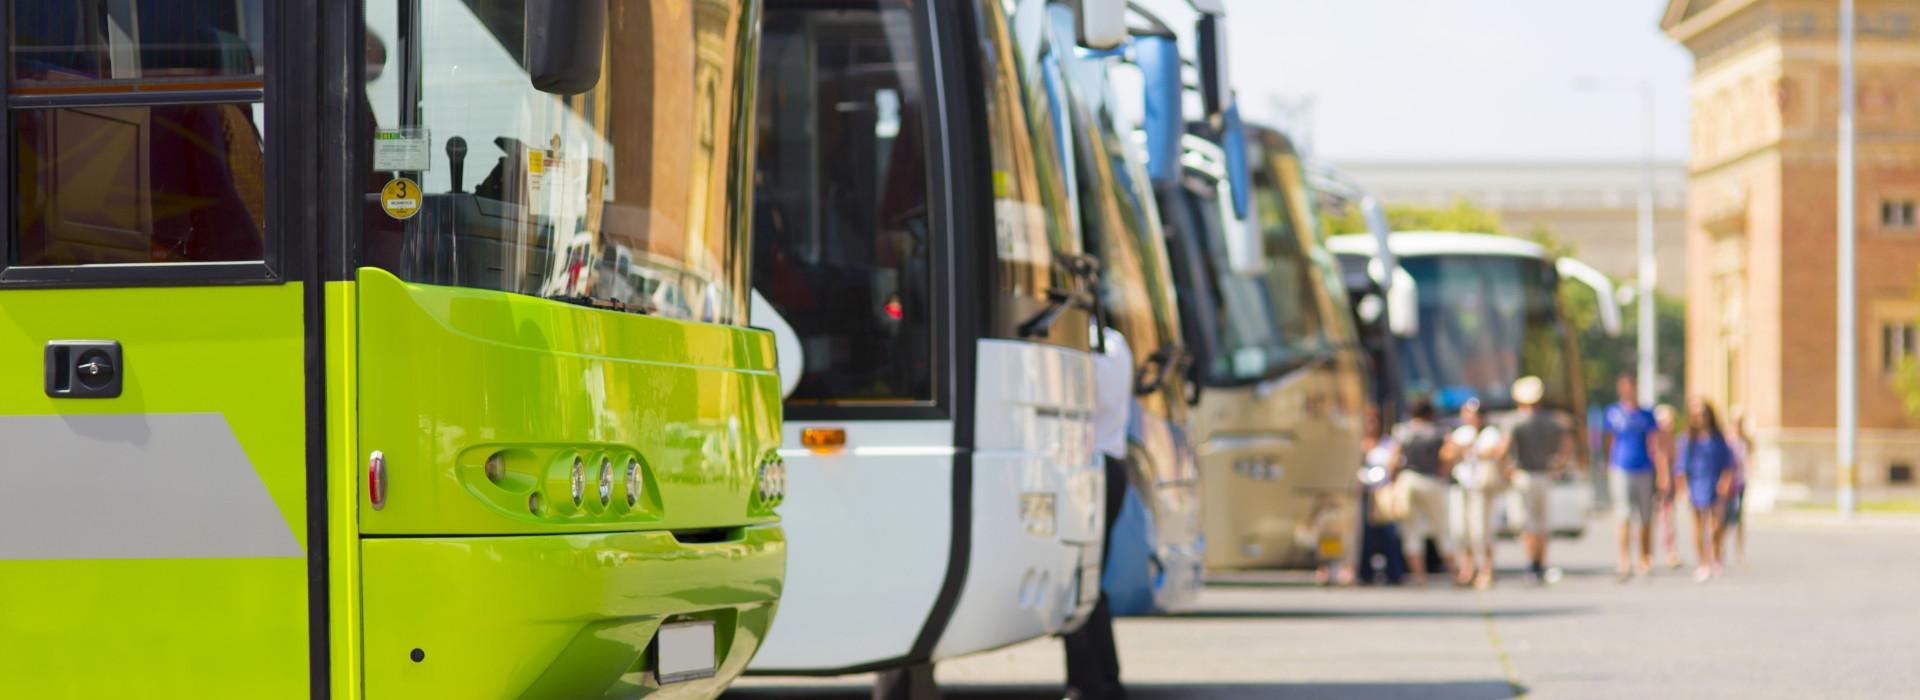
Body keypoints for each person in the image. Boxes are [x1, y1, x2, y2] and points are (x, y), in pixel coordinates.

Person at [1063, 328, 1131, 699]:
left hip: (1095, 466)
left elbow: (1090, 398)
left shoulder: (1094, 345)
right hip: (1110, 465)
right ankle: (1104, 678)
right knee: (1089, 580)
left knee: (1080, 580)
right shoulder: (1115, 342)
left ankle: (1088, 682)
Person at [1503, 376, 1571, 585]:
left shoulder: (1514, 421)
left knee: (1528, 524)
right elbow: (1567, 443)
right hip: (1545, 475)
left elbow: (1503, 449)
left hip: (1524, 476)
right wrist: (1559, 464)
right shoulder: (1552, 420)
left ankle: (1531, 564)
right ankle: (1541, 563)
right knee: (1542, 524)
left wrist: (1506, 470)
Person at [1604, 374, 1667, 580]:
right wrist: (1608, 465)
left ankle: (1645, 557)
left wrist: (1662, 472)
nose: (1627, 391)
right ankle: (1624, 560)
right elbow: (1608, 440)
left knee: (1645, 516)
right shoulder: (1613, 413)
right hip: (1621, 468)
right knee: (1622, 515)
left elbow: (1656, 444)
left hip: (1644, 468)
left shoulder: (1647, 415)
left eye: (1630, 387)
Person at [1388, 396, 1452, 585]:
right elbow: (1449, 455)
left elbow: (1393, 460)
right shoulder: (1439, 432)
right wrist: (1442, 472)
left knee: (1411, 530)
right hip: (1432, 481)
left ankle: (1419, 576)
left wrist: (1392, 484)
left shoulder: (1402, 431)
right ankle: (1456, 572)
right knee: (1441, 527)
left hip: (1408, 480)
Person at [1675, 399, 1737, 583]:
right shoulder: (1688, 439)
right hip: (1696, 483)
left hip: (1715, 483)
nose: (1700, 418)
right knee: (1698, 526)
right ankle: (1703, 562)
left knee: (1717, 525)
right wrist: (1683, 487)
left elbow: (1727, 463)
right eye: (1696, 415)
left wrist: (1725, 481)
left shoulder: (1718, 438)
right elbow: (1681, 466)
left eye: (1703, 414)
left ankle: (1715, 554)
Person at [1444, 399, 1504, 589]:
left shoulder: (1490, 433)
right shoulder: (1460, 433)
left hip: (1482, 488)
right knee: (1460, 530)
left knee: (1480, 531)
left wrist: (1472, 449)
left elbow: (1496, 452)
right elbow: (1446, 454)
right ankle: (1467, 568)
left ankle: (1486, 569)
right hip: (1461, 486)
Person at [1355, 407, 1408, 586]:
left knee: (1389, 534)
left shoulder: (1387, 443)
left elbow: (1394, 463)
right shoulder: (1358, 443)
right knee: (1365, 535)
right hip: (1364, 494)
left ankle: (1394, 572)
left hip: (1383, 492)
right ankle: (1365, 573)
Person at [1652, 404, 1684, 569]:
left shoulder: (1674, 440)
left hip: (1668, 483)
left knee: (1668, 518)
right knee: (1648, 519)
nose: (1668, 425)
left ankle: (1671, 551)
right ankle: (1647, 553)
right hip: (1651, 482)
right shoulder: (1653, 439)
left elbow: (1676, 464)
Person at [1725, 407, 1751, 566]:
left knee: (1740, 518)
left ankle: (1739, 552)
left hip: (1740, 482)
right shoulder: (1727, 439)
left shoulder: (1747, 440)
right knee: (1725, 517)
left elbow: (1750, 460)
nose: (1738, 425)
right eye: (1735, 421)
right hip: (1728, 483)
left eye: (1740, 421)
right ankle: (1719, 548)